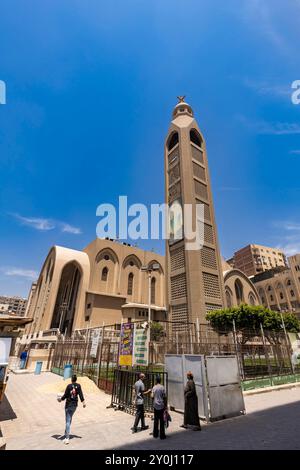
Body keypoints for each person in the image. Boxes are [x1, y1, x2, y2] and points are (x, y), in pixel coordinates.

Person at [58, 374, 86, 444]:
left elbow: (65, 395)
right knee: (69, 419)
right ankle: (66, 433)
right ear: (76, 379)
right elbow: (81, 394)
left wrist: (60, 399)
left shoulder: (69, 386)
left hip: (68, 405)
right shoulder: (78, 386)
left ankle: (67, 438)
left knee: (67, 420)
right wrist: (84, 403)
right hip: (74, 406)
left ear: (71, 380)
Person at [151, 375, 167, 440]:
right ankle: (162, 435)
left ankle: (155, 434)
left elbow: (152, 396)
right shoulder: (162, 387)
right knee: (162, 421)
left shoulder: (154, 387)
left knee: (156, 420)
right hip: (161, 405)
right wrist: (165, 405)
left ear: (156, 380)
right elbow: (165, 397)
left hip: (155, 405)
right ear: (160, 380)